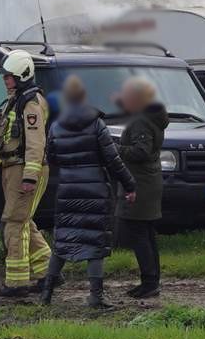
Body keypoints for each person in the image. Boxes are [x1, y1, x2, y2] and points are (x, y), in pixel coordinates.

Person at [40, 76, 136, 309]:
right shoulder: (96, 124)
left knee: (62, 242)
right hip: (95, 190)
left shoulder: (56, 126)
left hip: (68, 189)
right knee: (95, 243)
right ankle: (96, 296)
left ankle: (46, 295)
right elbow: (113, 161)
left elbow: (50, 157)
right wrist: (130, 185)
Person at [0, 49, 54, 298]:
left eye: (9, 77)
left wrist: (29, 176)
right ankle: (49, 272)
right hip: (13, 167)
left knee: (14, 223)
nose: (6, 81)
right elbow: (11, 137)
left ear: (22, 75)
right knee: (23, 220)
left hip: (25, 169)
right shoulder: (16, 100)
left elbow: (36, 142)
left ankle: (16, 283)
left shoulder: (31, 103)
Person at [114, 76, 169, 299]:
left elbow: (140, 151)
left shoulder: (141, 121)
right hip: (150, 181)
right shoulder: (153, 118)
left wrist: (118, 148)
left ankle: (149, 282)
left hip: (140, 184)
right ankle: (151, 280)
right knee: (146, 233)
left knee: (139, 233)